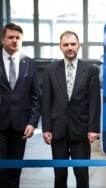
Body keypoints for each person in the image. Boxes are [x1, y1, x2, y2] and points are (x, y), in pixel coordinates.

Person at [41, 31, 100, 188]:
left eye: (73, 44)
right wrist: (46, 128)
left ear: (79, 46)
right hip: (57, 130)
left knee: (82, 175)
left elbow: (94, 102)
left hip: (81, 130)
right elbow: (46, 100)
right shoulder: (50, 70)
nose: (69, 47)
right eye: (66, 44)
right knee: (59, 175)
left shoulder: (91, 70)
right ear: (60, 47)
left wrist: (93, 128)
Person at [0, 23, 40, 188]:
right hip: (0, 125)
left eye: (18, 38)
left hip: (20, 126)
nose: (14, 40)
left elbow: (35, 95)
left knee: (15, 170)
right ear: (3, 39)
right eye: (11, 37)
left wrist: (32, 122)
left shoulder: (29, 63)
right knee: (1, 169)